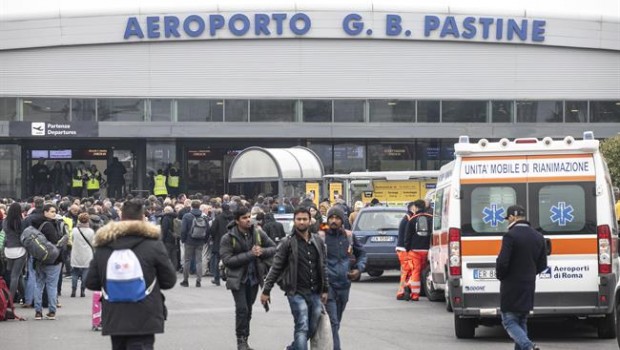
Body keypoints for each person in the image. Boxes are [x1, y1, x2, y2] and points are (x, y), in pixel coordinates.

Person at [85, 199, 177, 350]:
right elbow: (169, 281)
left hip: (115, 313)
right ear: (142, 218)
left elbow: (91, 282)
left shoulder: (104, 245)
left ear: (121, 218)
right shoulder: (153, 245)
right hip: (145, 313)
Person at [261, 207, 329, 350]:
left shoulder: (317, 240)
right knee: (302, 326)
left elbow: (323, 266)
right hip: (296, 292)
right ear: (294, 221)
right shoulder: (287, 242)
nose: (302, 222)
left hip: (315, 292)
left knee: (312, 326)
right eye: (299, 219)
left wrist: (325, 289)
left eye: (305, 219)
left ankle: (293, 348)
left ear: (310, 221)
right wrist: (266, 290)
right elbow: (276, 267)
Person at [220, 207, 276, 350]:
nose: (248, 220)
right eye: (244, 218)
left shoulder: (257, 233)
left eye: (249, 216)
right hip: (237, 279)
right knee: (242, 309)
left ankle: (245, 339)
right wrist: (251, 254)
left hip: (254, 279)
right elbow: (227, 260)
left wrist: (262, 251)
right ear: (237, 220)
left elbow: (274, 248)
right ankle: (241, 341)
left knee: (248, 310)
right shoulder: (228, 237)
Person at [496, 205, 546, 350]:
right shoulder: (538, 236)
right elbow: (543, 264)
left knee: (509, 321)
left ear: (512, 217)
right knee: (521, 320)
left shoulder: (510, 236)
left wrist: (501, 276)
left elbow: (503, 262)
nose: (507, 222)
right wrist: (529, 273)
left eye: (508, 219)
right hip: (529, 284)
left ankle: (529, 346)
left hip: (511, 285)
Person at [322, 206, 367, 350]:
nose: (334, 221)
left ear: (342, 220)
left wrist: (358, 269)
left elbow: (362, 254)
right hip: (328, 286)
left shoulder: (349, 236)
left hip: (344, 285)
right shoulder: (321, 236)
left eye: (337, 218)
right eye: (331, 218)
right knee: (333, 322)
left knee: (336, 323)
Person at [31, 204, 64, 320]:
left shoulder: (36, 225)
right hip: (53, 260)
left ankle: (38, 311)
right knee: (51, 286)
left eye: (55, 211)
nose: (54, 213)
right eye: (51, 211)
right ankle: (52, 311)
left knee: (39, 285)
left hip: (39, 259)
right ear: (45, 212)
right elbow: (55, 242)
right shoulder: (49, 226)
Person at [403, 199, 432, 301]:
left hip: (415, 250)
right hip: (428, 250)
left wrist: (407, 249)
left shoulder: (412, 219)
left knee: (415, 271)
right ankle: (426, 290)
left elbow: (407, 236)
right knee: (425, 272)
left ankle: (414, 294)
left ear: (415, 207)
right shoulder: (431, 218)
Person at [179, 200, 208, 287]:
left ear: (191, 206)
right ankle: (198, 281)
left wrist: (183, 239)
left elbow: (183, 230)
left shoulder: (187, 216)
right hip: (200, 241)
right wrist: (205, 240)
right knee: (199, 260)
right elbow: (208, 230)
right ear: (199, 206)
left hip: (189, 241)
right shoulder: (204, 216)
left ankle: (185, 280)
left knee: (187, 260)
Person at [3, 202, 27, 304]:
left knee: (18, 274)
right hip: (20, 250)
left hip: (8, 249)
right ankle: (10, 299)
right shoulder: (22, 222)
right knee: (15, 276)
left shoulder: (5, 221)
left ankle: (25, 296)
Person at [208, 203, 233, 286]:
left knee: (217, 260)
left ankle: (217, 278)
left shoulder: (218, 218)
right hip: (233, 241)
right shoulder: (234, 217)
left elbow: (212, 230)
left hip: (219, 241)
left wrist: (215, 237)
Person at [395, 201, 416, 300]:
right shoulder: (409, 219)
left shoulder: (406, 217)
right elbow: (408, 235)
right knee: (407, 271)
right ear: (412, 208)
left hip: (401, 248)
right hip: (404, 249)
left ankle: (403, 290)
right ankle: (402, 291)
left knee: (406, 271)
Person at [70, 212, 94, 298]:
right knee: (85, 272)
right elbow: (93, 243)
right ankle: (82, 290)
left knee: (74, 272)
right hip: (87, 254)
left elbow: (71, 239)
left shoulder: (74, 230)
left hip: (76, 252)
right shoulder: (91, 231)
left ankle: (73, 289)